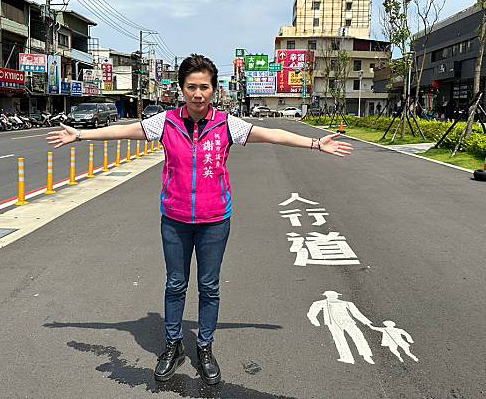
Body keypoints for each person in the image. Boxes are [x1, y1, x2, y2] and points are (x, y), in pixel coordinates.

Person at [46, 54, 353, 385]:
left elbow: (271, 134)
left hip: (215, 221)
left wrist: (314, 144)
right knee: (175, 284)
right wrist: (79, 136)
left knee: (209, 287)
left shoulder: (226, 124)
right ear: (181, 89)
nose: (197, 94)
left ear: (214, 89)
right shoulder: (165, 123)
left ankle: (204, 347)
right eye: (191, 87)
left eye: (204, 87)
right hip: (175, 220)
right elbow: (124, 131)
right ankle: (174, 345)